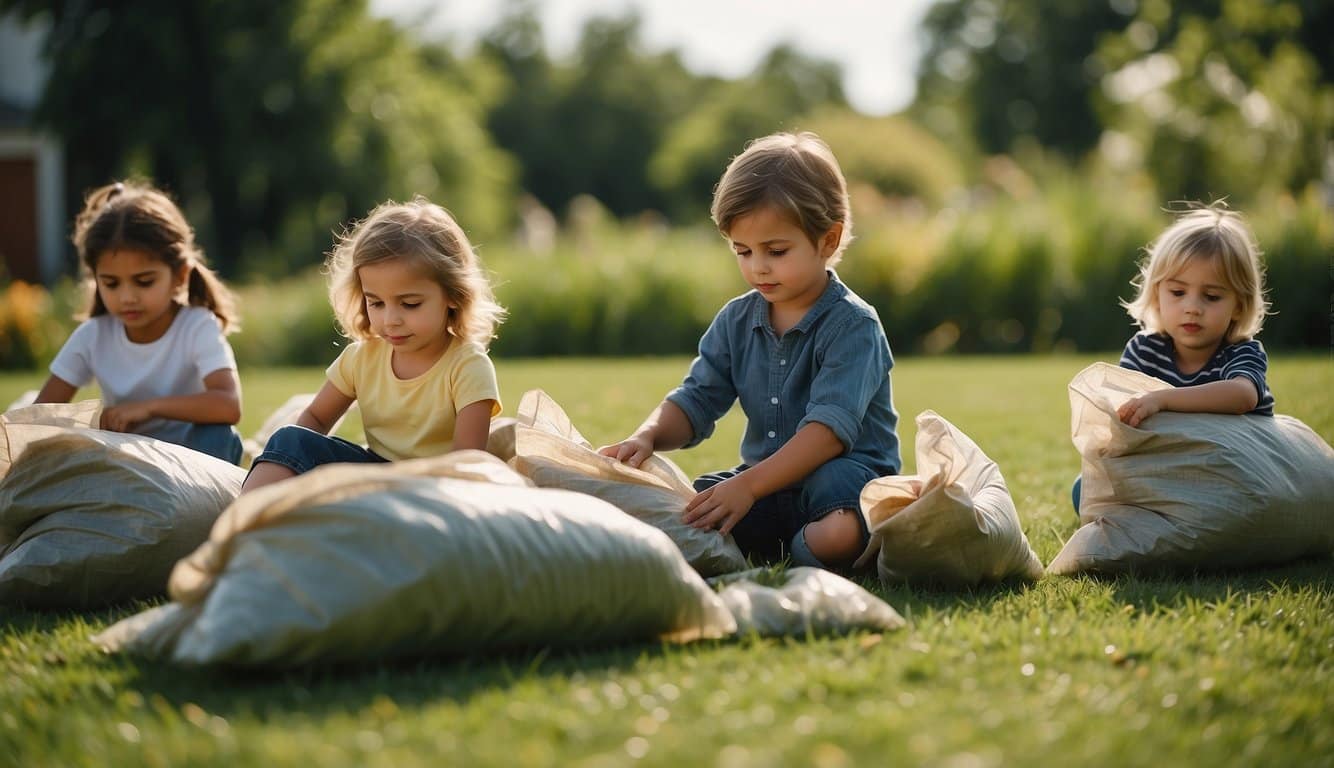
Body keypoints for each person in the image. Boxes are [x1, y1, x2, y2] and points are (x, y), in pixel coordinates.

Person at [598, 132, 900, 571]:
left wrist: (749, 488)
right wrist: (646, 436)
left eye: (776, 251)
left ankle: (807, 550)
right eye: (742, 250)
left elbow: (827, 434)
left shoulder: (854, 326)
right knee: (692, 507)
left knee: (835, 527)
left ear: (828, 241)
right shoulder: (736, 321)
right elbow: (697, 398)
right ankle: (783, 544)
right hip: (767, 487)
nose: (757, 265)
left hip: (843, 484)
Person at [241, 197, 504, 494]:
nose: (390, 320)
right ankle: (244, 522)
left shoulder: (469, 366)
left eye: (410, 304)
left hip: (432, 486)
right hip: (372, 475)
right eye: (375, 302)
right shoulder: (362, 356)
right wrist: (298, 463)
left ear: (454, 295)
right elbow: (314, 418)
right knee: (290, 438)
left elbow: (466, 464)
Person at [1072, 202, 1273, 510]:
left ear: (1240, 305)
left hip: (1231, 474)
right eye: (1178, 293)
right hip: (1169, 469)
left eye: (1212, 296)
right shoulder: (1145, 350)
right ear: (1156, 295)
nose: (1192, 307)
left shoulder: (1241, 352)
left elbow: (1243, 396)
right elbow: (1122, 420)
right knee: (1084, 487)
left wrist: (1162, 399)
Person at [35, 181, 244, 464]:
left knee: (218, 435)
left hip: (192, 463)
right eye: (111, 283)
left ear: (180, 276)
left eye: (144, 282)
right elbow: (39, 415)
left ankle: (203, 508)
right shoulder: (93, 336)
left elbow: (228, 405)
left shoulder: (197, 326)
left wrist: (148, 408)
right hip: (127, 460)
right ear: (95, 278)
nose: (127, 297)